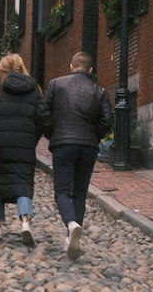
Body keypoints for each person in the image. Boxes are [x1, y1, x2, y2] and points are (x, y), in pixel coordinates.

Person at [38, 51, 113, 260]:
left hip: (63, 144)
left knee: (62, 192)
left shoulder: (55, 84)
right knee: (80, 192)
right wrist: (94, 136)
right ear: (90, 70)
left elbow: (42, 113)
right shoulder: (98, 90)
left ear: (71, 66)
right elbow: (107, 120)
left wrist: (52, 133)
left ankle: (71, 225)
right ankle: (71, 237)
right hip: (88, 146)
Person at [0, 53, 43, 247]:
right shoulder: (34, 88)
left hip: (0, 141)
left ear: (2, 66)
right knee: (23, 181)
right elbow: (41, 116)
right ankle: (25, 221)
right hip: (25, 143)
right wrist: (33, 136)